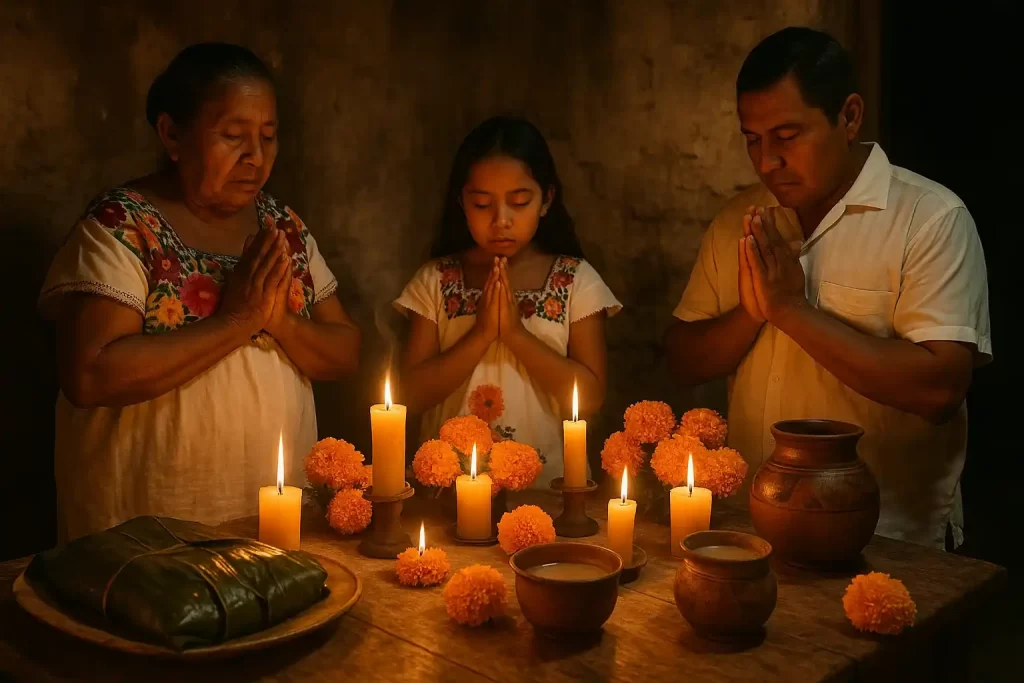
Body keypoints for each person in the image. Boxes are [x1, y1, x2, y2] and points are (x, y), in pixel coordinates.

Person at [664, 27, 991, 549]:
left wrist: (791, 310)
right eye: (753, 138)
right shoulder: (740, 220)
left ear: (850, 116)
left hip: (889, 538)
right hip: (754, 527)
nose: (767, 160)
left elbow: (939, 389)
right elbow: (682, 361)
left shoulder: (928, 219)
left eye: (787, 137)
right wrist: (751, 314)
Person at [39, 43, 361, 540]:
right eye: (233, 136)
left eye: (268, 137)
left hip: (269, 522)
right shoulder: (123, 226)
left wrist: (279, 323)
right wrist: (234, 323)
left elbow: (345, 350)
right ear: (172, 134)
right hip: (147, 529)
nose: (255, 157)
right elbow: (90, 374)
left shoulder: (283, 228)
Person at [395, 116, 621, 486]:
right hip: (448, 490)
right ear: (461, 203)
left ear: (546, 200)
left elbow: (591, 396)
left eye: (519, 202)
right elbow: (410, 395)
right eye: (482, 204)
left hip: (543, 489)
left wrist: (515, 334)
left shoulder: (576, 281)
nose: (501, 220)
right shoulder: (435, 282)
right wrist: (482, 335)